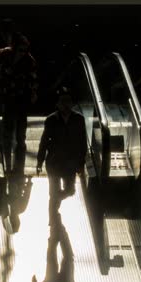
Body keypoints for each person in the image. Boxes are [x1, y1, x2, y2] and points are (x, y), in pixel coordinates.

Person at [36, 87, 87, 220]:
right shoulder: (51, 120)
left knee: (70, 190)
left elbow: (83, 142)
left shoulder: (79, 119)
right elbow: (44, 141)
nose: (65, 105)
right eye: (63, 102)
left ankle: (55, 203)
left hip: (70, 163)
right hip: (54, 162)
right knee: (54, 191)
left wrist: (81, 163)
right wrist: (39, 161)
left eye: (68, 101)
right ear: (58, 104)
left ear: (71, 103)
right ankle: (52, 218)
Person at [0, 34, 38, 175]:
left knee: (21, 129)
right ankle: (7, 154)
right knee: (8, 124)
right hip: (7, 95)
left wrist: (34, 92)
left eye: (25, 50)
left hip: (21, 96)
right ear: (14, 47)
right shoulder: (4, 53)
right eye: (20, 49)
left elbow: (33, 77)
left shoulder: (28, 60)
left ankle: (19, 161)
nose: (22, 53)